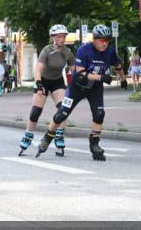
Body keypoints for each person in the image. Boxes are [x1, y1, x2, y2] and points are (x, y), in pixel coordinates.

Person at [37, 24, 126, 160]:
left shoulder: (110, 52)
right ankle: (48, 137)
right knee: (62, 114)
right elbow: (80, 74)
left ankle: (94, 144)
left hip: (95, 88)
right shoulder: (84, 50)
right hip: (77, 88)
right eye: (102, 40)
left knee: (99, 114)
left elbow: (118, 65)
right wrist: (101, 77)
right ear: (94, 39)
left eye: (107, 40)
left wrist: (124, 79)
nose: (105, 43)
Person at [18, 24, 76, 157]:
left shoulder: (67, 52)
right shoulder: (46, 50)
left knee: (63, 110)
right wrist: (38, 83)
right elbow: (38, 68)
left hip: (57, 81)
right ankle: (28, 135)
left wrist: (79, 84)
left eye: (64, 36)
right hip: (43, 80)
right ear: (53, 38)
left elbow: (75, 71)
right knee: (35, 112)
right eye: (59, 36)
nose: (62, 39)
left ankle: (59, 135)